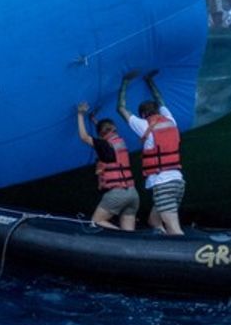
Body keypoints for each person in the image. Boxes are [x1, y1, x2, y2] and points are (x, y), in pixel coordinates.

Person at [117, 70, 185, 235]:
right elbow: (160, 100)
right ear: (158, 111)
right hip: (177, 182)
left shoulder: (143, 126)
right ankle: (164, 244)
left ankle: (188, 258)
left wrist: (125, 82)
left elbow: (120, 108)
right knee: (153, 221)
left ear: (143, 115)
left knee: (174, 229)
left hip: (163, 183)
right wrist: (149, 81)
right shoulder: (170, 120)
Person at [75, 102, 139, 230]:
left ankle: (119, 233)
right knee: (129, 234)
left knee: (96, 221)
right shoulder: (119, 142)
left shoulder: (103, 145)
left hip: (117, 194)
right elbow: (105, 134)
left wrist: (80, 114)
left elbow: (84, 137)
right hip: (132, 193)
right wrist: (94, 120)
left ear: (100, 134)